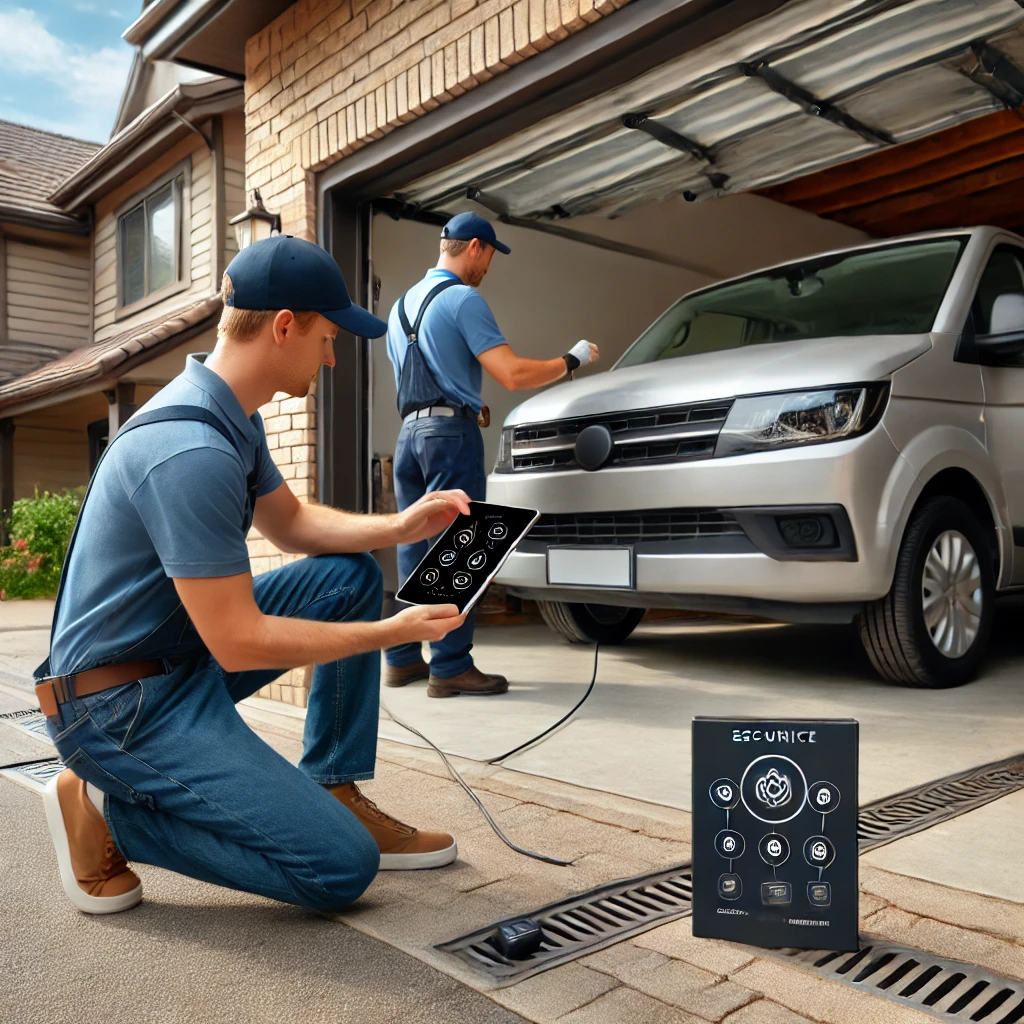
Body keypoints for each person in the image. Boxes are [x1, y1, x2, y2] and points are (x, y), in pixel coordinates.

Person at [37, 234, 472, 917]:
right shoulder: (190, 449)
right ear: (284, 327)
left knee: (347, 577)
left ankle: (331, 786)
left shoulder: (230, 415)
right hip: (119, 707)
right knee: (339, 867)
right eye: (328, 338)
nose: (332, 356)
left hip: (175, 658)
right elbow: (240, 641)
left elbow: (293, 524)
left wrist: (399, 526)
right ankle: (102, 810)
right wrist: (388, 633)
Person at [383, 213, 599, 698]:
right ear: (475, 247)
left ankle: (401, 657)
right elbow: (512, 374)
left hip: (408, 438)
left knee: (414, 544)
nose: (487, 268)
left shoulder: (400, 307)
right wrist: (571, 360)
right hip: (450, 434)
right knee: (463, 545)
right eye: (489, 257)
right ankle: (451, 666)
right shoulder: (463, 298)